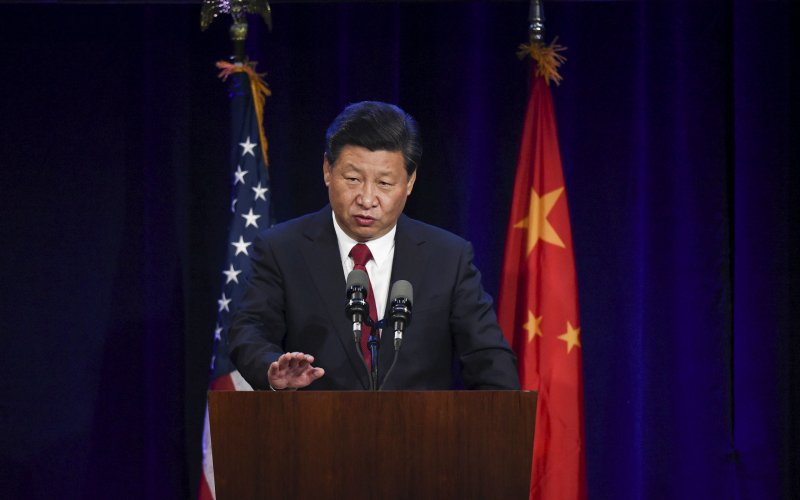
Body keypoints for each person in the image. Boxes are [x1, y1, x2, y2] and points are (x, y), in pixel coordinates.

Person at [229, 101, 519, 391]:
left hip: (422, 433)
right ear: (328, 170)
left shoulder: (448, 257)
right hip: (314, 431)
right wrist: (272, 369)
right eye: (353, 179)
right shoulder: (282, 249)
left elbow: (488, 357)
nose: (367, 199)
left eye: (384, 183)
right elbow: (250, 331)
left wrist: (499, 420)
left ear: (410, 182)